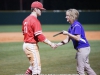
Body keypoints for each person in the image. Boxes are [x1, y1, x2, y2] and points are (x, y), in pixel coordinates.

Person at [54, 9, 96, 75]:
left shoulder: (77, 26)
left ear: (72, 16)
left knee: (80, 70)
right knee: (86, 67)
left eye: (67, 15)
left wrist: (68, 33)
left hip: (83, 48)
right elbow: (66, 40)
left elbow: (77, 38)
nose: (66, 17)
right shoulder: (71, 27)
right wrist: (57, 44)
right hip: (84, 48)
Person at [22, 1, 55, 75]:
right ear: (35, 9)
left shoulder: (25, 20)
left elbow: (24, 33)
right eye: (40, 9)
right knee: (36, 69)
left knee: (32, 66)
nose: (41, 11)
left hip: (26, 45)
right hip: (31, 46)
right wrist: (51, 43)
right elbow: (39, 36)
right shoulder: (35, 20)